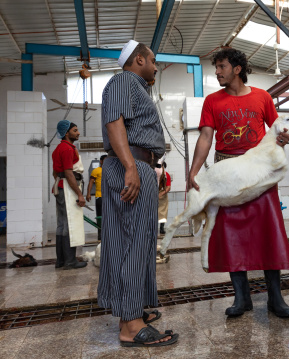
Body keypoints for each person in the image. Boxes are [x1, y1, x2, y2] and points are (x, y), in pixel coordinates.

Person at [188, 47, 289, 318]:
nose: (217, 72)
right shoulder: (212, 101)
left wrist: (284, 136)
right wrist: (194, 172)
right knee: (231, 235)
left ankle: (275, 297)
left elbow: (278, 128)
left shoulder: (262, 97)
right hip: (228, 175)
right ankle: (241, 297)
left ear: (237, 69)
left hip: (260, 174)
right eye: (216, 67)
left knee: (269, 232)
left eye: (221, 66)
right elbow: (205, 138)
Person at [97, 40, 178, 347]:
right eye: (154, 60)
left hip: (135, 164)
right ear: (139, 59)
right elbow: (113, 121)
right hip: (129, 164)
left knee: (133, 242)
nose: (156, 66)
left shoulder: (133, 86)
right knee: (134, 243)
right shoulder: (123, 80)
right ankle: (130, 325)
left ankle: (130, 313)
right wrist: (131, 167)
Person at [52, 120, 88, 270]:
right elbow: (68, 172)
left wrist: (60, 184)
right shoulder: (67, 149)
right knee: (69, 225)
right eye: (75, 130)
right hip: (67, 188)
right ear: (66, 133)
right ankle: (70, 261)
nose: (78, 132)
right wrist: (79, 194)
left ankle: (60, 260)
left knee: (61, 225)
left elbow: (55, 173)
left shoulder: (58, 148)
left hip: (61, 187)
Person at [86, 154, 107, 241]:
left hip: (109, 197)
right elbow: (91, 182)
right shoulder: (96, 170)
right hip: (99, 197)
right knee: (100, 216)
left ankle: (109, 235)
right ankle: (100, 236)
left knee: (109, 216)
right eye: (105, 160)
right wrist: (88, 193)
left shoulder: (111, 170)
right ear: (101, 161)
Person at [157, 162, 171, 235]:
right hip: (153, 192)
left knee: (163, 212)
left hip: (162, 193)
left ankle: (162, 228)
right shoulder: (153, 173)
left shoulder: (166, 175)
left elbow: (168, 187)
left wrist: (161, 193)